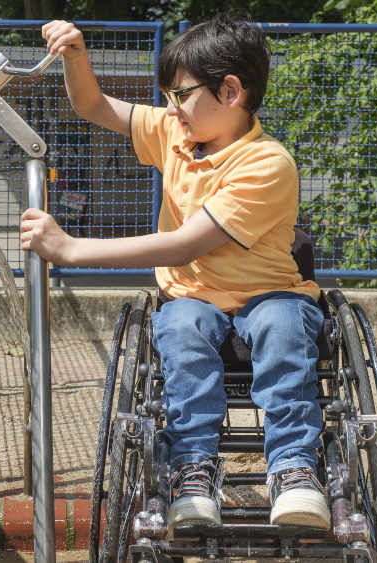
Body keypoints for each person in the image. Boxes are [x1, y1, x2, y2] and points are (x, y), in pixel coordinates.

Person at [20, 16, 330, 532]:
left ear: (229, 91)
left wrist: (72, 250)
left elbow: (188, 243)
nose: (170, 107)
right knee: (181, 329)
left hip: (270, 292)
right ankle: (192, 470)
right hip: (192, 299)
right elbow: (92, 106)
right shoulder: (175, 132)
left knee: (281, 324)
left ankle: (294, 470)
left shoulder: (267, 164)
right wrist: (76, 57)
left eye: (180, 94)